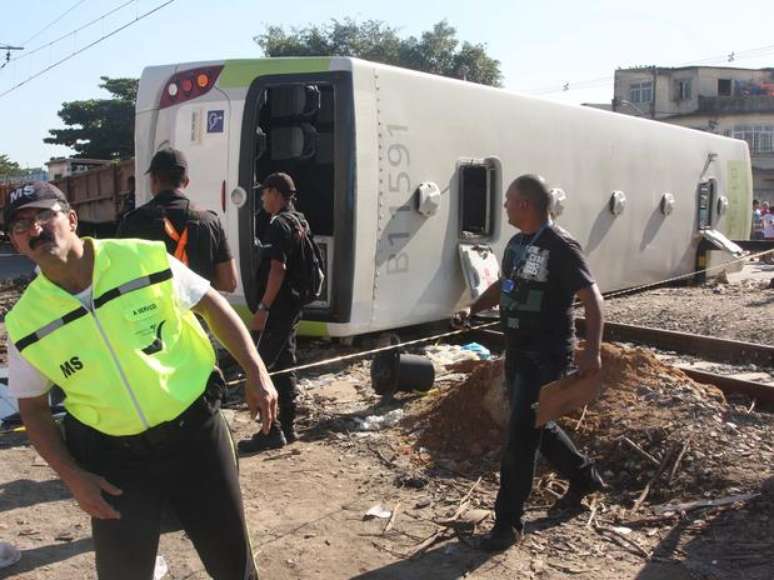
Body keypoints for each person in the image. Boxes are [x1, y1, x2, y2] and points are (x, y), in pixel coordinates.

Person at [5, 181, 277, 579]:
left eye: (44, 215)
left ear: (73, 219)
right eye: (20, 225)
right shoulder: (24, 323)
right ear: (15, 244)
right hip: (114, 461)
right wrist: (73, 477)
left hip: (196, 436)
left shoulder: (143, 258)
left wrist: (257, 372)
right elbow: (33, 408)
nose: (35, 229)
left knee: (232, 566)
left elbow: (212, 304)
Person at [454, 174, 606, 552]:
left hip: (547, 353)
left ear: (524, 204)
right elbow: (504, 286)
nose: (503, 206)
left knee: (521, 437)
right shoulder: (518, 243)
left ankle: (508, 524)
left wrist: (592, 349)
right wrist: (473, 308)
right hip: (518, 348)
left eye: (508, 200)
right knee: (536, 422)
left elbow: (593, 297)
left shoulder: (561, 245)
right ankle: (584, 477)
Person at [238, 172, 309, 455]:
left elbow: (277, 269)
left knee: (262, 366)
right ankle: (287, 427)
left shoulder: (278, 224)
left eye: (265, 193)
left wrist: (264, 308)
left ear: (276, 193)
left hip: (278, 307)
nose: (262, 199)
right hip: (292, 306)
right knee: (285, 364)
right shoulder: (299, 219)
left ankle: (271, 431)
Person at [117, 147, 237, 292]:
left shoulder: (133, 222)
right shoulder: (210, 222)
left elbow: (121, 278)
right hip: (196, 314)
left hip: (151, 312)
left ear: (153, 180)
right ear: (186, 182)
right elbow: (229, 283)